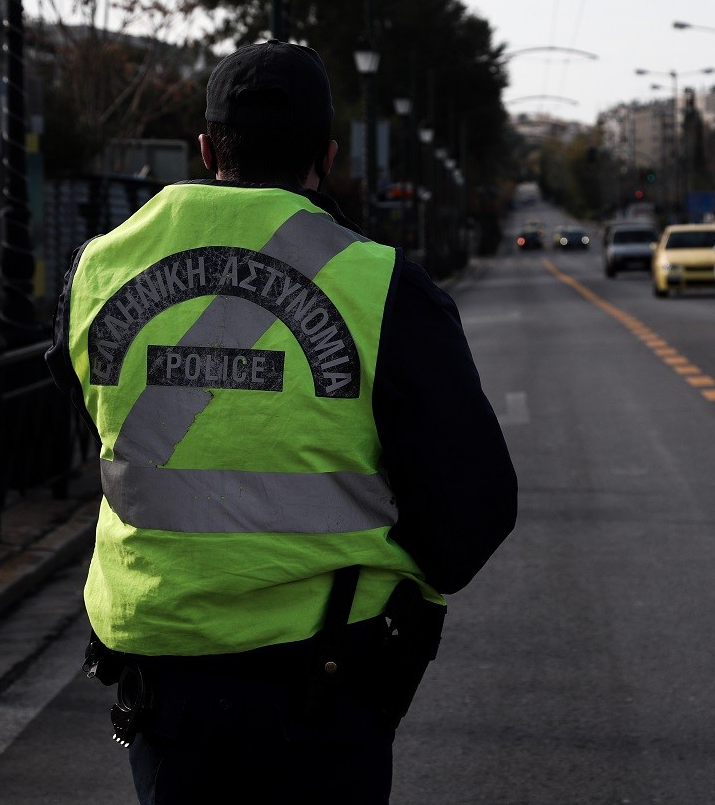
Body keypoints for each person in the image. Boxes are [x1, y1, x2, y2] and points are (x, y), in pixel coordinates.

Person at [45, 39, 517, 804]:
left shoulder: (96, 268)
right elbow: (475, 505)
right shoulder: (382, 285)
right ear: (327, 156)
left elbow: (95, 425)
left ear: (206, 149)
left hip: (162, 672)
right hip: (331, 672)